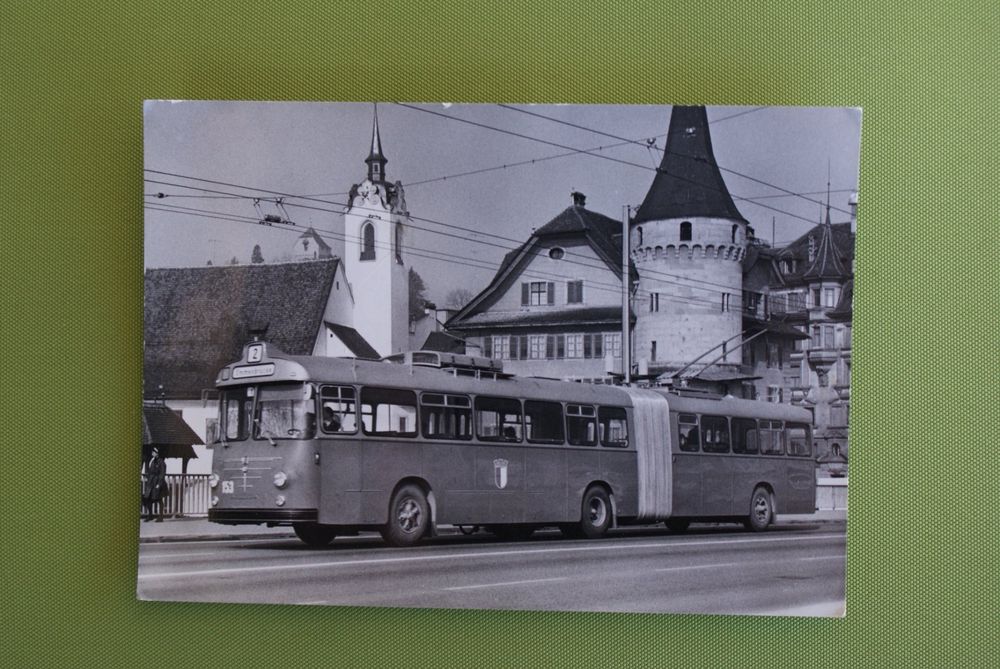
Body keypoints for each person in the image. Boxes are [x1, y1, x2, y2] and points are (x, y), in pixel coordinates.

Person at [142, 447, 167, 522]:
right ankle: (150, 515)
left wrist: (159, 484)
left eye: (153, 452)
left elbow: (162, 474)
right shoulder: (153, 461)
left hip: (158, 483)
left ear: (157, 453)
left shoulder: (161, 462)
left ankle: (161, 517)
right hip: (151, 482)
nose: (152, 453)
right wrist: (147, 477)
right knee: (147, 498)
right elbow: (150, 471)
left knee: (159, 499)